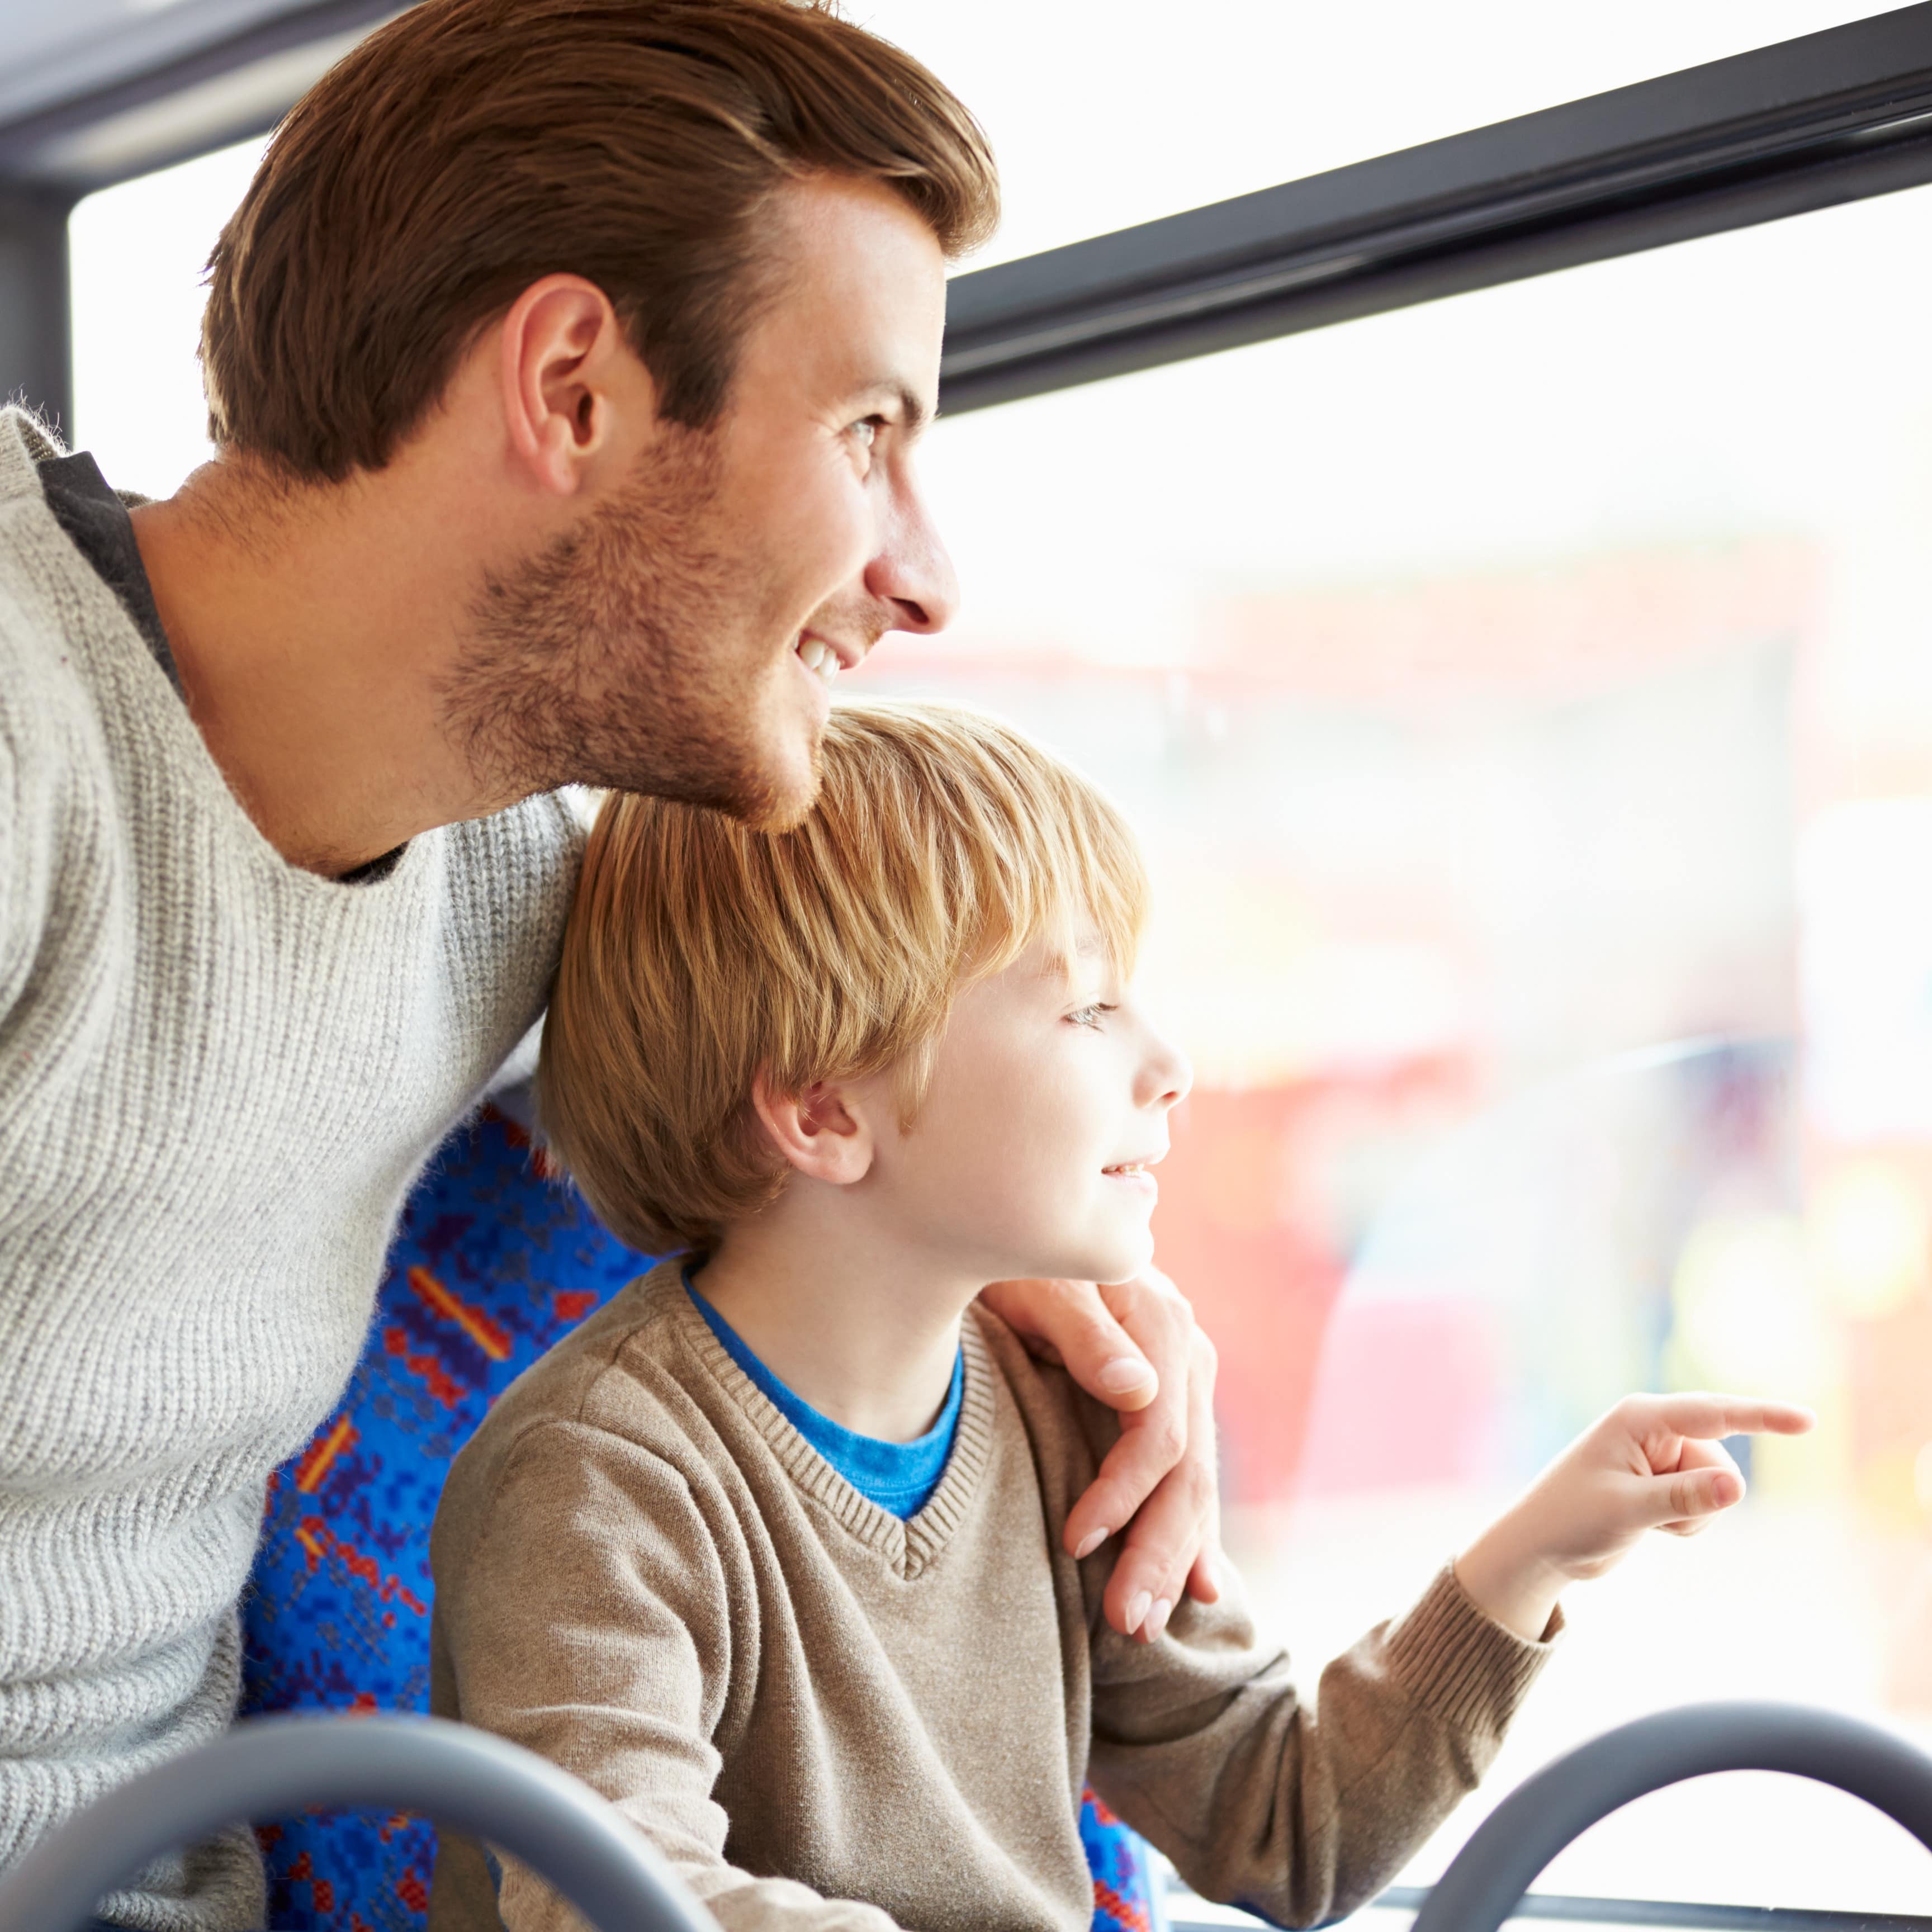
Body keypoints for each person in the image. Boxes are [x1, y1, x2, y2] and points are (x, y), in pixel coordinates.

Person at [0, 6, 1224, 1927]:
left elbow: (809, 1149)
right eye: (866, 435)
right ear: (572, 387)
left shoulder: (502, 889)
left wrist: (1080, 1312)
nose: (927, 577)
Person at [429, 700, 1815, 1932]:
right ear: (827, 1110)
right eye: (1087, 1009)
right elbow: (612, 1891)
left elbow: (1289, 1827)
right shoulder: (600, 1483)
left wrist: (1531, 1560)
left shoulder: (1062, 1409)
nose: (1172, 1063)